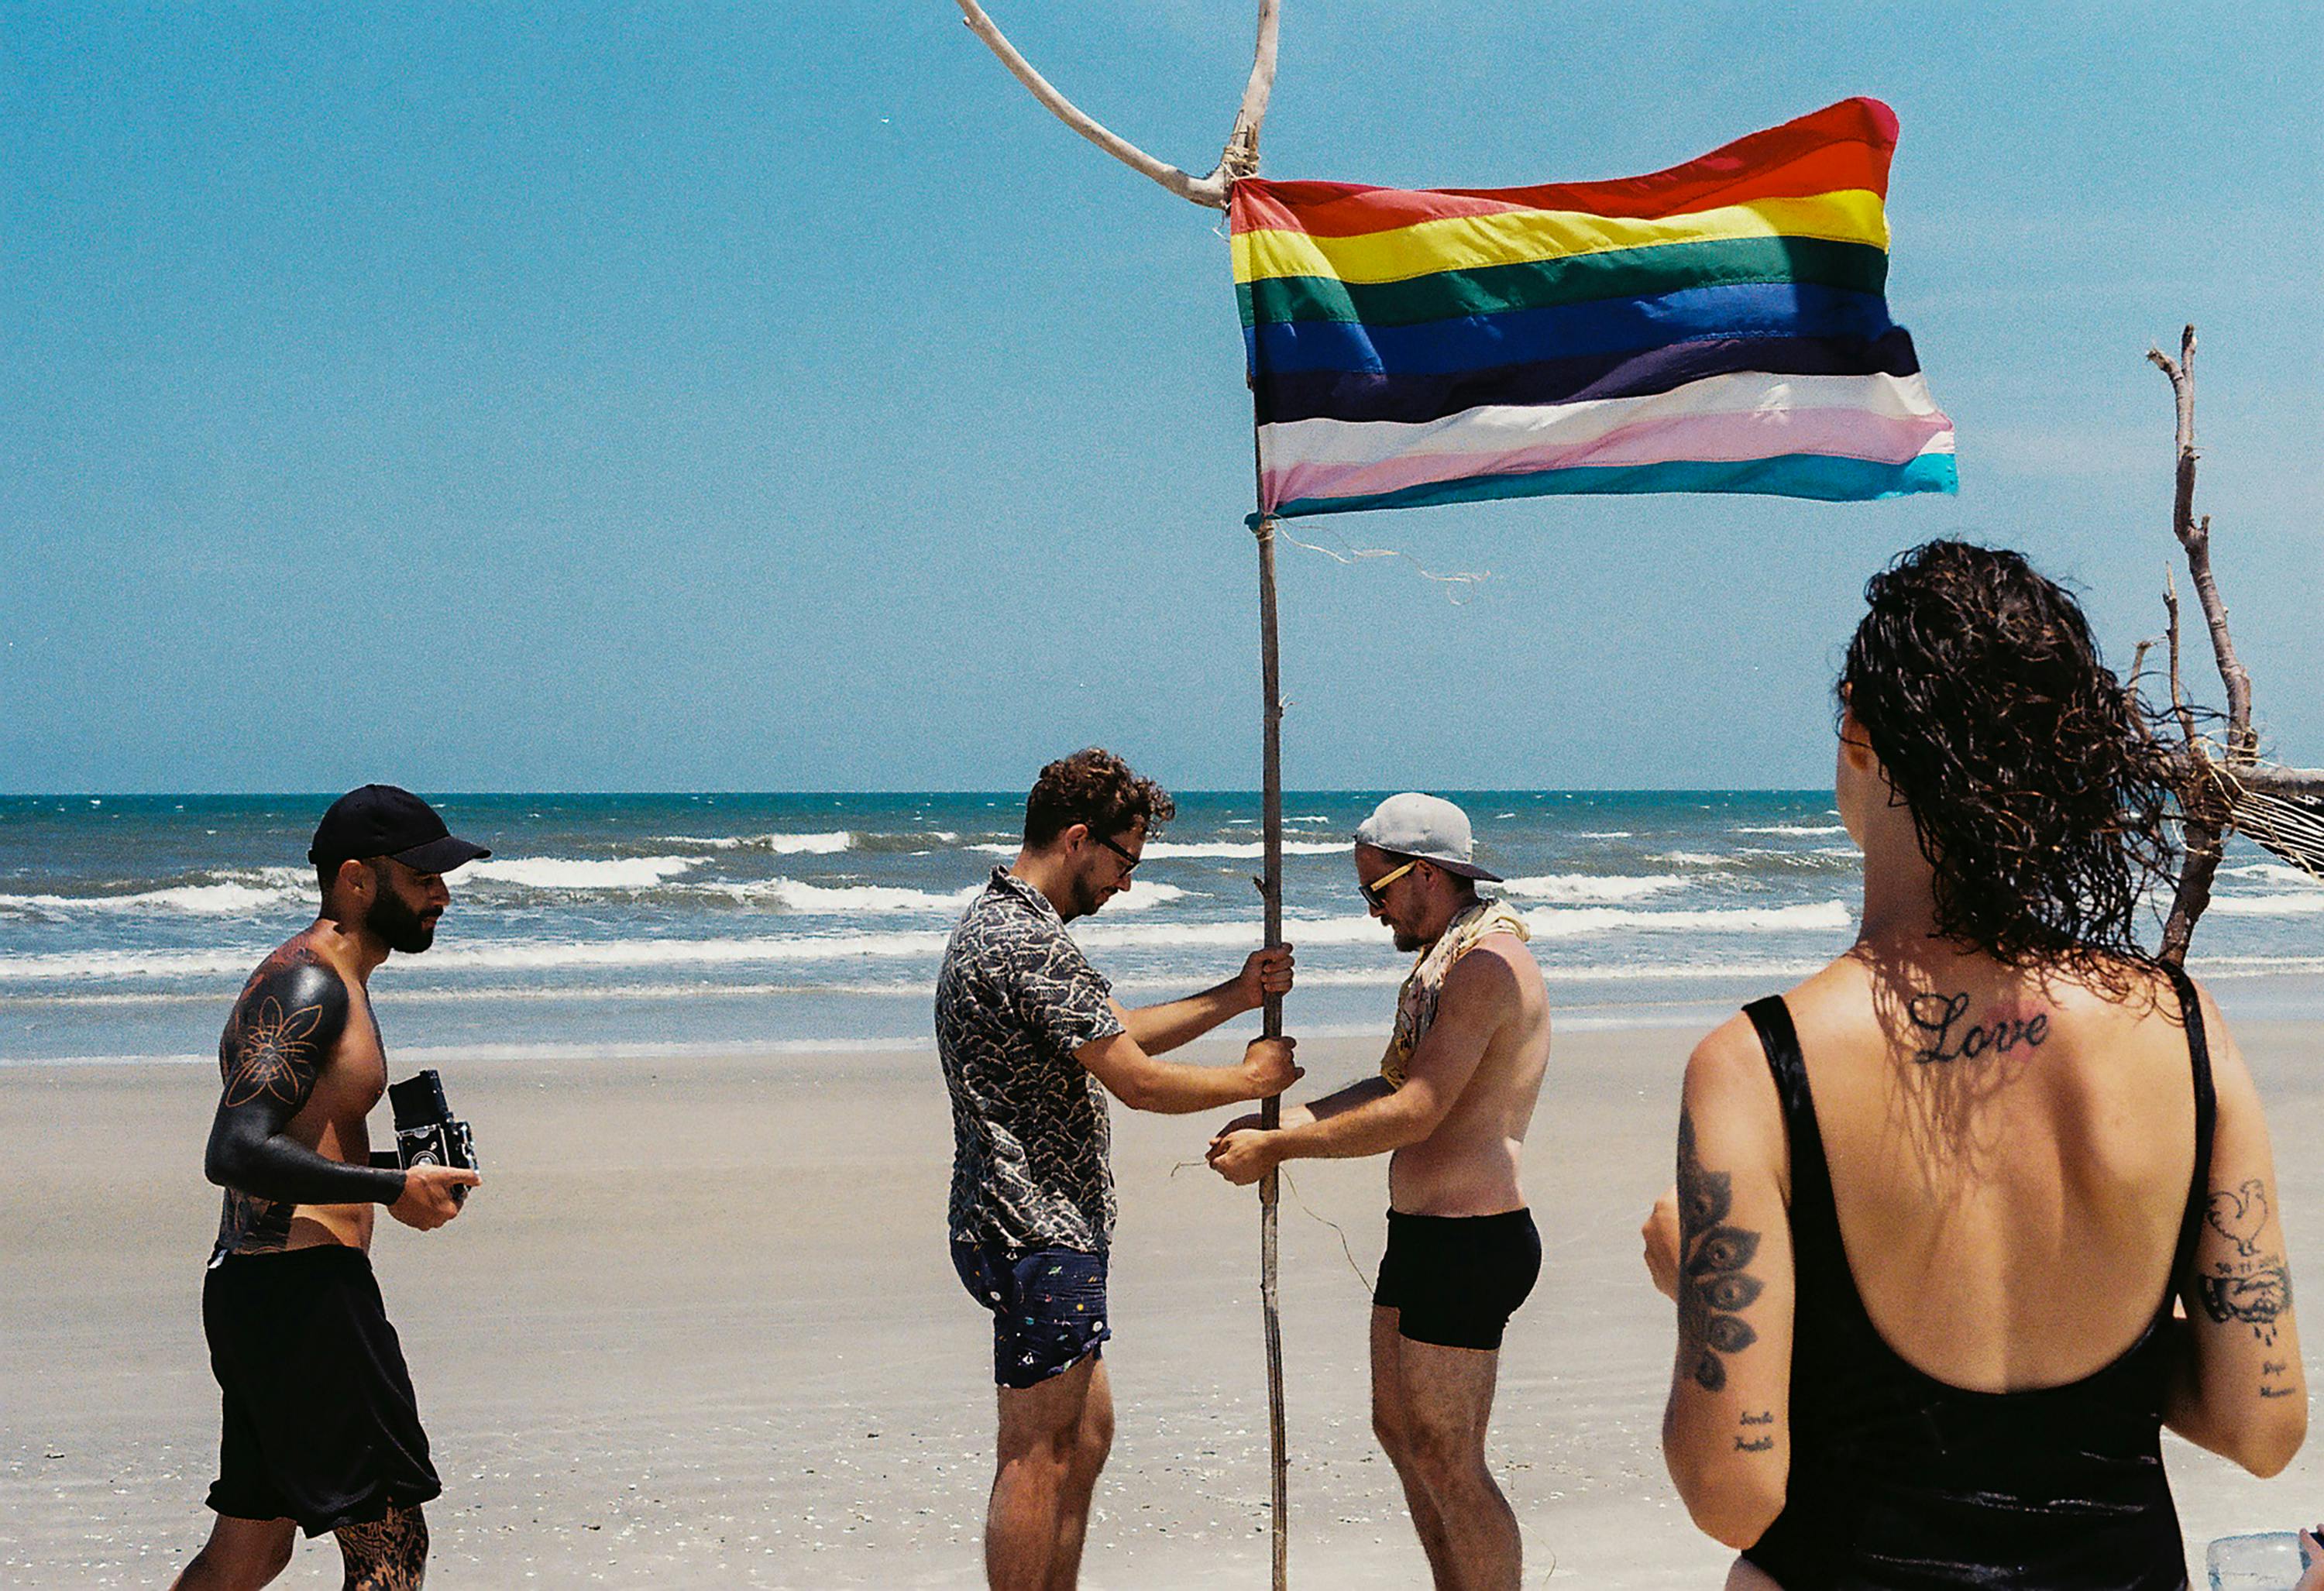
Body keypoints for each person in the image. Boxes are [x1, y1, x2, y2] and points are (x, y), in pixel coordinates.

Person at [1642, 541, 2307, 1588]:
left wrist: (1728, 1301)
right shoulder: (2179, 1028)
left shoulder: (1760, 1064)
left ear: (1860, 727)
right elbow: (2260, 1422)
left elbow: (1734, 1490)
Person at [938, 748, 1301, 1591]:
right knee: (1035, 1453)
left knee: (1085, 1435)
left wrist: (1237, 995)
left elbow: (1113, 1028)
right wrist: (1248, 1082)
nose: (1126, 885)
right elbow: (1134, 1079)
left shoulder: (1003, 922)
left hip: (1015, 1222)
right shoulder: (1028, 940)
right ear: (1077, 839)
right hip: (1035, 1229)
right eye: (1123, 861)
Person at [1209, 792, 1550, 1591]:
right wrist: (1282, 1120)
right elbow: (1393, 1081)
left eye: (1379, 890)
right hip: (1424, 1233)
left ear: (1427, 876)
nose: (1372, 911)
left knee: (1449, 1454)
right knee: (1401, 1430)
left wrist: (1283, 1144)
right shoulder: (1443, 962)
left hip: (1474, 1237)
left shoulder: (1488, 966)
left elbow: (1417, 1110)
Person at [169, 785, 489, 1591]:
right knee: (390, 1547)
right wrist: (389, 1186)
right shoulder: (309, 986)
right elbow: (235, 1147)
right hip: (302, 1301)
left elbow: (293, 1138)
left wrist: (407, 1173)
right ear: (355, 878)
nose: (441, 896)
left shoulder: (331, 977)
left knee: (249, 1551)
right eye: (422, 878)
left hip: (262, 1290)